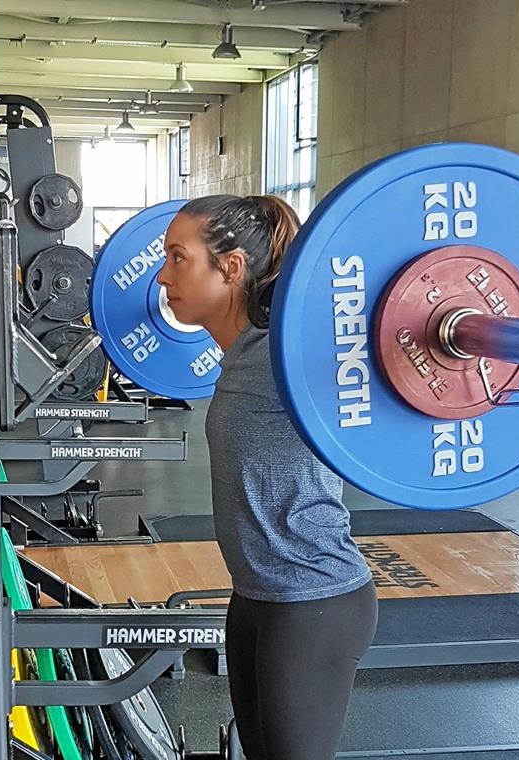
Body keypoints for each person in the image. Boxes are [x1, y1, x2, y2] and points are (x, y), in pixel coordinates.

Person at [156, 195, 379, 760]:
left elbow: (377, 355)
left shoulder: (291, 353)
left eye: (178, 259)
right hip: (254, 598)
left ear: (230, 268)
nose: (162, 276)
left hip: (312, 602)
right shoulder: (242, 352)